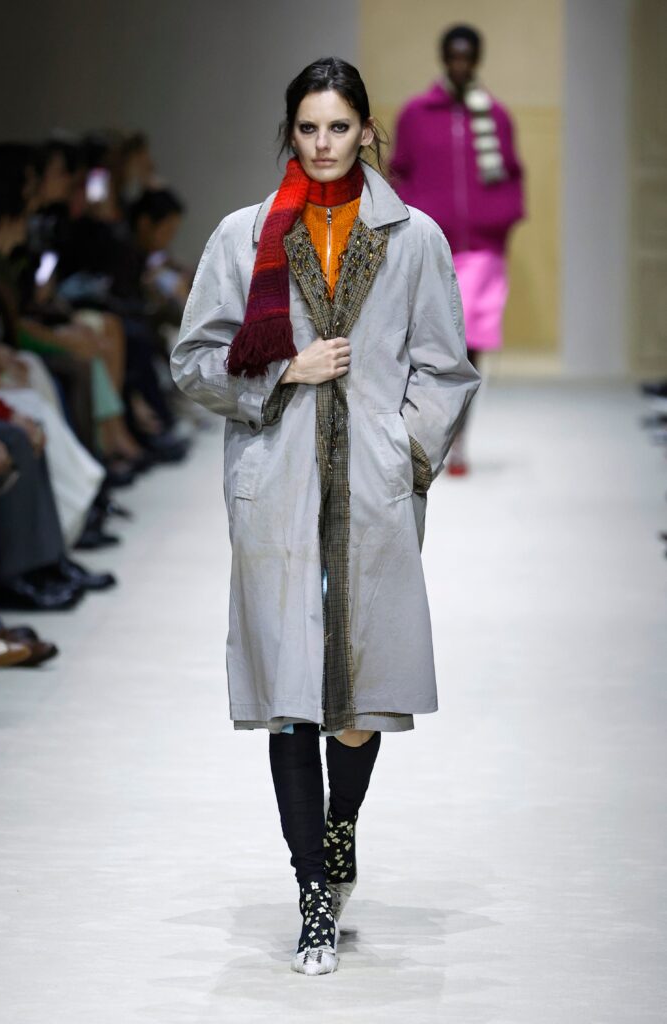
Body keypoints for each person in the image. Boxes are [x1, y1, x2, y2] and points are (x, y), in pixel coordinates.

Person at [171, 57, 480, 975]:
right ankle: (312, 888)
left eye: (339, 127)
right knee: (289, 697)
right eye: (308, 128)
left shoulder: (413, 238)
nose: (323, 143)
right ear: (290, 131)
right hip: (277, 485)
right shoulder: (243, 237)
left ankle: (340, 828)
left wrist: (404, 456)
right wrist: (282, 371)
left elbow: (446, 368)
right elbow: (194, 360)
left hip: (374, 495)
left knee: (358, 693)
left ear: (367, 131)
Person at [390, 24, 525, 474]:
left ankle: (460, 440)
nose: (460, 64)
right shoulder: (415, 115)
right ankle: (422, 433)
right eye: (454, 55)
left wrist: (499, 220)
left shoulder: (496, 116)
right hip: (432, 248)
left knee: (469, 349)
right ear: (444, 57)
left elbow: (512, 175)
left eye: (468, 56)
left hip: (482, 251)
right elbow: (399, 173)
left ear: (477, 59)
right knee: (422, 346)